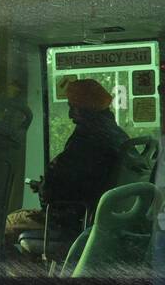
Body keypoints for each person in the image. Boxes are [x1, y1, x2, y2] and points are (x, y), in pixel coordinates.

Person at [40, 78, 131, 220]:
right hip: (107, 215)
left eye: (72, 107)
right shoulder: (117, 134)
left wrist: (42, 188)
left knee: (10, 223)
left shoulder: (86, 138)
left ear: (85, 109)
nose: (70, 115)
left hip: (77, 219)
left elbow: (57, 179)